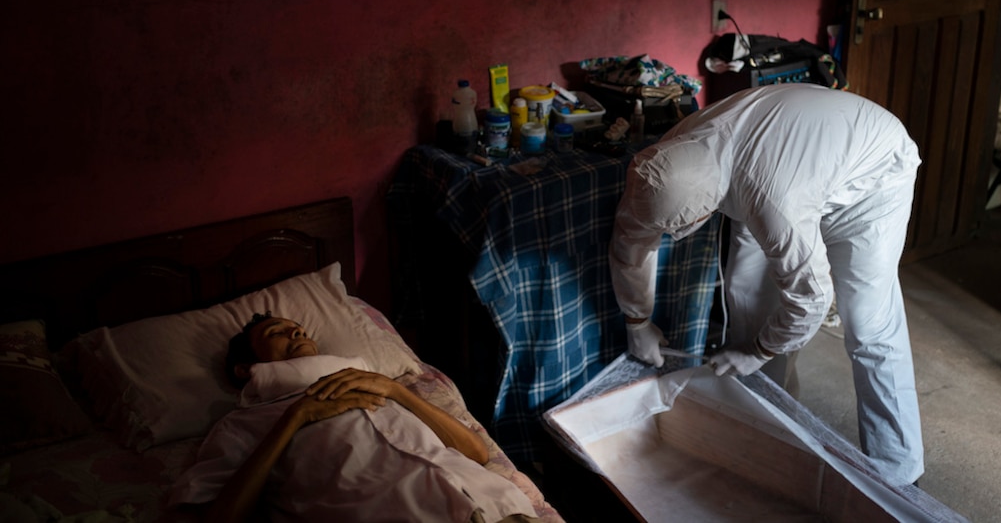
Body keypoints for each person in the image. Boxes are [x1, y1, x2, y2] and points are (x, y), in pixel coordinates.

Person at [608, 83, 924, 486]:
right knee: (746, 292)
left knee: (867, 321)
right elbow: (633, 236)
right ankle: (772, 422)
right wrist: (637, 319)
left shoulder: (773, 202)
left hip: (874, 167)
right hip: (779, 154)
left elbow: (812, 296)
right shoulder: (668, 159)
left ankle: (900, 470)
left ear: (705, 210)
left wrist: (759, 351)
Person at [169, 312, 537, 523]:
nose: (296, 331)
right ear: (244, 368)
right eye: (276, 332)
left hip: (494, 506)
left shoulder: (375, 384)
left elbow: (476, 454)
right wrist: (296, 417)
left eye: (297, 327)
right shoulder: (243, 423)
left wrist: (396, 391)